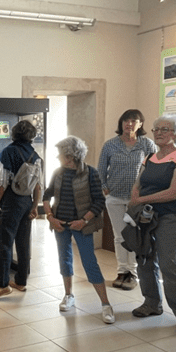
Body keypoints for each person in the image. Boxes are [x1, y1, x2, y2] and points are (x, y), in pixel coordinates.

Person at [129, 113, 176, 335]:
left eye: (165, 129)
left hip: (168, 217)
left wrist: (142, 199)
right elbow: (138, 183)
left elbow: (173, 193)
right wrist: (136, 198)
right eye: (156, 129)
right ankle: (151, 303)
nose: (158, 133)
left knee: (169, 265)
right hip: (144, 217)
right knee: (144, 260)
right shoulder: (149, 158)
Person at [42, 136, 114, 324]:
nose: (58, 157)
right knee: (64, 259)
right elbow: (46, 196)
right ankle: (68, 295)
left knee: (90, 262)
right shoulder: (58, 173)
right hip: (60, 225)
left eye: (60, 154)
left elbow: (99, 201)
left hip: (82, 225)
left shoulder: (90, 173)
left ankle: (106, 304)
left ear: (70, 156)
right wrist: (50, 218)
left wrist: (83, 221)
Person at [97, 109, 157, 291]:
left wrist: (147, 192)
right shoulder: (110, 145)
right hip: (115, 197)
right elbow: (101, 169)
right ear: (121, 123)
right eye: (126, 120)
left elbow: (154, 169)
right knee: (119, 236)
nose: (129, 124)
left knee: (134, 235)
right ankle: (122, 271)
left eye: (133, 121)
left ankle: (133, 273)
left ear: (140, 124)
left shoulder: (147, 144)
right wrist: (104, 186)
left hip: (137, 199)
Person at [0, 119, 42, 300]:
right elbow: (38, 185)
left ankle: (2, 285)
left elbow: (2, 182)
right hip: (27, 201)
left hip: (11, 200)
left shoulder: (8, 152)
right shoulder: (35, 155)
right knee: (23, 242)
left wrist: (0, 202)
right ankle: (21, 281)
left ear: (14, 133)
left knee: (4, 243)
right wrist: (35, 206)